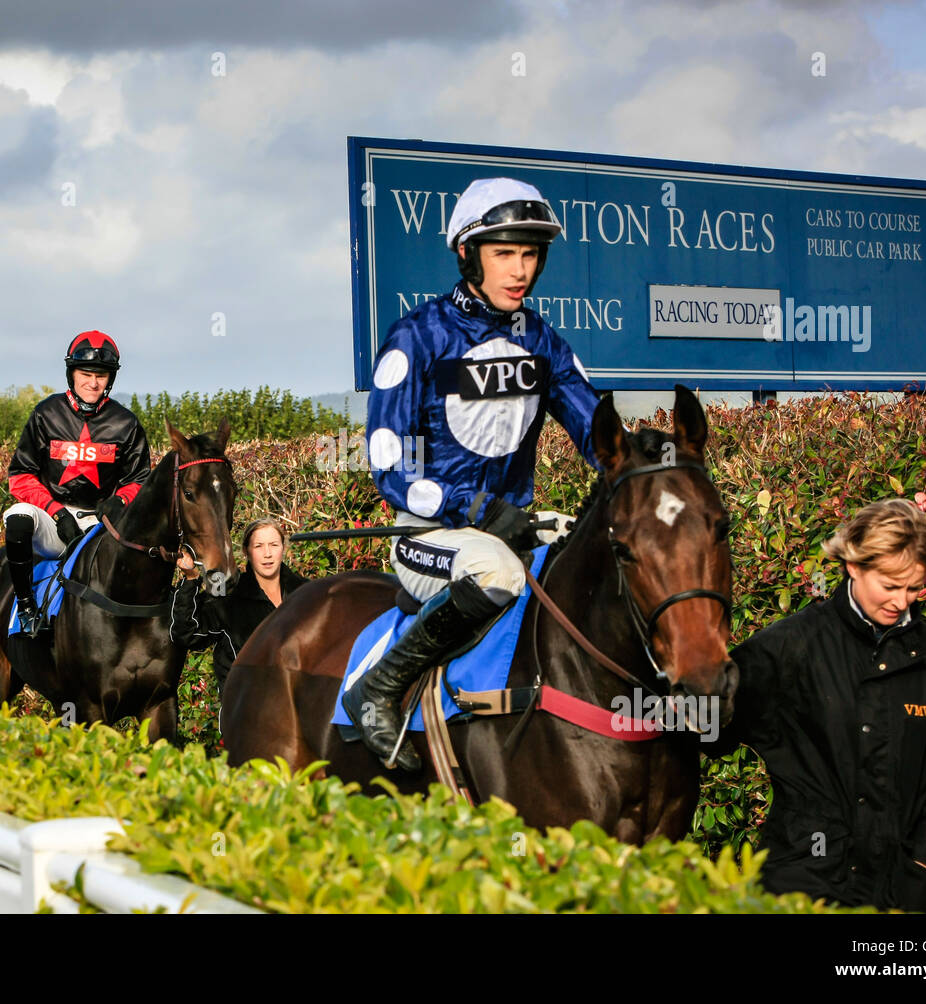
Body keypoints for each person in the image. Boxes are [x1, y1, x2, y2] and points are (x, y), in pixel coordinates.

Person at [343, 177, 603, 771]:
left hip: (515, 525)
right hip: (428, 536)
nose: (519, 270)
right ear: (467, 253)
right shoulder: (417, 337)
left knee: (598, 548)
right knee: (500, 572)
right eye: (504, 253)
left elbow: (596, 432)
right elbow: (388, 466)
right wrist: (474, 509)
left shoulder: (543, 343)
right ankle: (379, 691)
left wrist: (647, 462)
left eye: (530, 253)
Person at [707, 499, 926, 912]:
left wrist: (923, 863)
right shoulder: (789, 646)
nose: (902, 601)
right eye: (890, 586)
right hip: (797, 885)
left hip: (901, 890)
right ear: (854, 566)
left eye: (914, 588)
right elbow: (711, 730)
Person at [3, 331, 151, 634]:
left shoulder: (126, 423)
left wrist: (120, 500)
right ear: (72, 374)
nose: (93, 383)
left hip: (101, 527)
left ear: (110, 378)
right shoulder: (46, 413)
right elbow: (20, 476)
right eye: (86, 374)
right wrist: (55, 511)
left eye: (101, 375)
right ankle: (27, 608)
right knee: (16, 518)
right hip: (52, 521)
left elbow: (141, 479)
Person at [170, 518, 308, 694]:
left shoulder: (307, 593)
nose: (267, 554)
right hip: (243, 710)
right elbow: (187, 633)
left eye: (274, 545)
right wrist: (190, 580)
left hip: (301, 707)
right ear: (246, 551)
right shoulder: (229, 597)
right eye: (258, 546)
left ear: (283, 548)